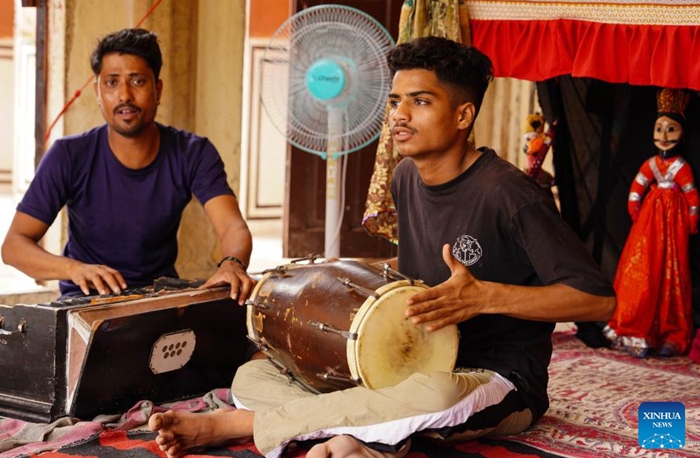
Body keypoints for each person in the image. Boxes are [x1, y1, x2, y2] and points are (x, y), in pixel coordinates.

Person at [147, 36, 616, 458]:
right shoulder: (406, 177)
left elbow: (598, 300)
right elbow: (414, 263)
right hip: (404, 369)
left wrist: (486, 297)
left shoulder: (510, 195)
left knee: (434, 398)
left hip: (492, 377)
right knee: (255, 377)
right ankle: (361, 437)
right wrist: (336, 273)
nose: (398, 116)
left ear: (463, 115)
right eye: (394, 101)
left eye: (420, 101)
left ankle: (238, 425)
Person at [1, 28, 255, 303]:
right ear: (98, 91)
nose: (124, 95)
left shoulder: (192, 152)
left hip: (156, 298)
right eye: (111, 82)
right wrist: (74, 269)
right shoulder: (69, 154)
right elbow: (14, 246)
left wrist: (232, 263)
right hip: (85, 301)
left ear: (157, 89)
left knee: (245, 341)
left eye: (137, 81)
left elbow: (232, 227)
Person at [603, 88, 698, 358]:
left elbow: (692, 196)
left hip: (673, 227)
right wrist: (636, 211)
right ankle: (634, 330)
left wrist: (692, 220)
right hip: (648, 227)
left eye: (671, 129)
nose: (664, 136)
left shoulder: (681, 166)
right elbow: (636, 188)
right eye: (659, 129)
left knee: (671, 273)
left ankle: (669, 333)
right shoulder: (651, 163)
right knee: (642, 272)